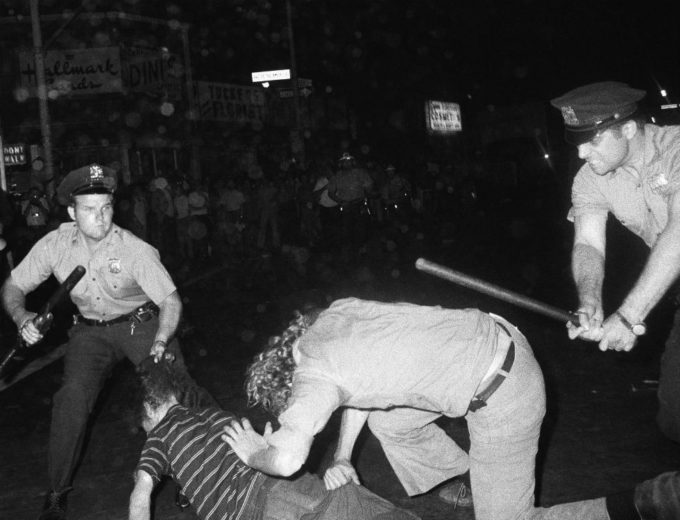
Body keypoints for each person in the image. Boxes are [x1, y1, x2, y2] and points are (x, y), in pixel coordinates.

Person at [222, 297, 622, 520]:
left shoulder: (311, 374)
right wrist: (342, 456)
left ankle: (630, 507)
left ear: (289, 383)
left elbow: (288, 460)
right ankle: (471, 476)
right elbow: (356, 391)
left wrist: (256, 454)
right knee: (389, 424)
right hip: (499, 339)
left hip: (505, 393)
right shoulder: (337, 314)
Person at [0, 163, 209, 520]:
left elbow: (171, 302)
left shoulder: (134, 249)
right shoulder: (55, 244)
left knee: (177, 395)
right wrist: (22, 317)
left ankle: (194, 476)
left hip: (142, 324)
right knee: (71, 399)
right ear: (71, 212)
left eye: (106, 207)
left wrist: (161, 342)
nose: (101, 217)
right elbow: (13, 286)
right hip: (90, 331)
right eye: (90, 209)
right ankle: (56, 492)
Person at [129, 356, 420, 520]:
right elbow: (260, 453)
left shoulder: (158, 437)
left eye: (144, 426)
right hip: (284, 483)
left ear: (149, 409)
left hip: (247, 513)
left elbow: (141, 494)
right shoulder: (214, 415)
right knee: (353, 507)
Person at [550, 81, 680, 441]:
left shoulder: (676, 148)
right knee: (674, 417)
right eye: (577, 141)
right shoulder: (591, 178)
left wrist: (628, 316)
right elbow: (589, 244)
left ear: (628, 129)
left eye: (592, 140)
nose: (581, 153)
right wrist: (589, 303)